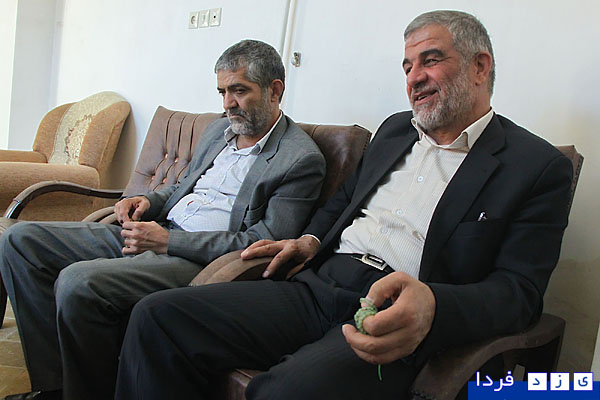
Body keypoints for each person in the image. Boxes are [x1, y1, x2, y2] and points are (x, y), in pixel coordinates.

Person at [114, 11, 573, 400]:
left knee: (284, 391)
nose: (414, 78)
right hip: (318, 285)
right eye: (408, 66)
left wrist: (433, 305)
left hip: (390, 313)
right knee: (157, 318)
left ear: (480, 66)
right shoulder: (395, 131)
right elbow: (345, 201)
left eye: (430, 60)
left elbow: (520, 293)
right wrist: (310, 240)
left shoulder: (535, 166)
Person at [0, 39, 326, 400]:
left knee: (78, 282)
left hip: (197, 259)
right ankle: (54, 387)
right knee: (20, 240)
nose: (227, 104)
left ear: (274, 91)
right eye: (222, 92)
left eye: (239, 91)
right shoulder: (219, 131)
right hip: (156, 230)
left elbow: (263, 241)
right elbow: (181, 188)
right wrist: (146, 200)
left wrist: (168, 241)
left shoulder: (300, 159)